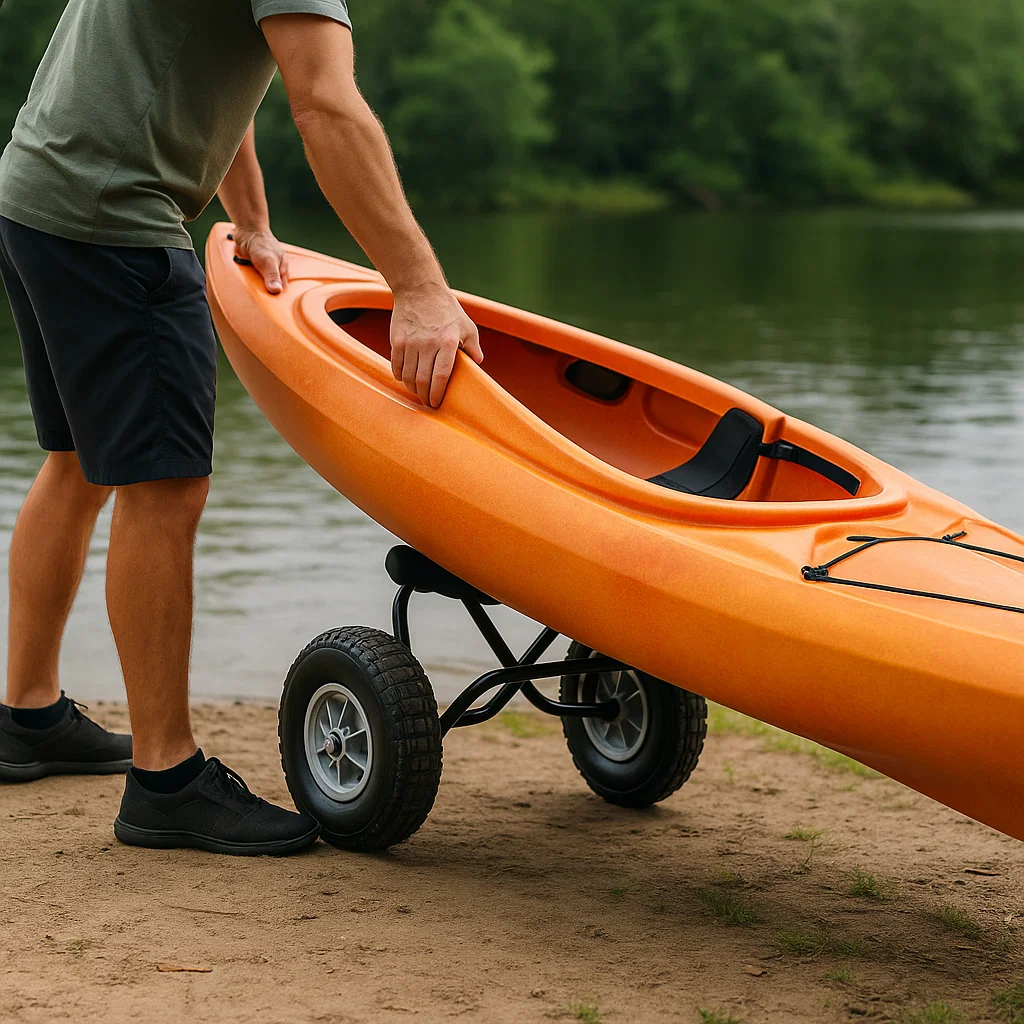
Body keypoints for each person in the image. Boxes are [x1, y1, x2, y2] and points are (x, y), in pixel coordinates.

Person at [0, 1, 483, 856]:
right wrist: (417, 286)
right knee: (165, 486)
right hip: (117, 221)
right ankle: (167, 781)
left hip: (38, 196)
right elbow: (324, 104)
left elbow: (220, 76)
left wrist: (253, 222)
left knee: (75, 461)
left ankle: (27, 717)